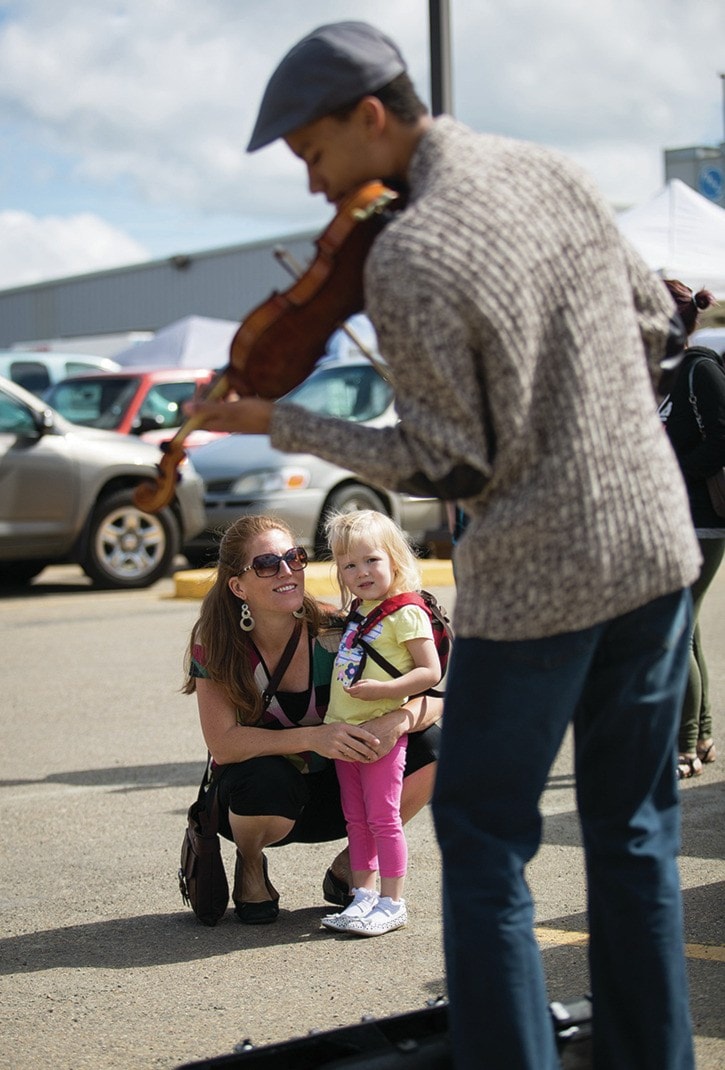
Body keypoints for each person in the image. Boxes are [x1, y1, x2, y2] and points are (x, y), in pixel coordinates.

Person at [186, 21, 701, 1069]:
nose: (312, 183)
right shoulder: (552, 172)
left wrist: (275, 422)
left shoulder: (415, 249)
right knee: (635, 831)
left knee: (480, 836)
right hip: (652, 543)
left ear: (370, 117)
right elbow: (656, 321)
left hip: (541, 574)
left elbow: (448, 462)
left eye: (312, 153)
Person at [183, 513, 442, 925]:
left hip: (337, 788)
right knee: (263, 779)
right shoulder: (216, 641)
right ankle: (250, 865)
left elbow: (434, 696)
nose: (286, 571)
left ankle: (352, 869)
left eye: (294, 557)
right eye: (267, 564)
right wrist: (315, 737)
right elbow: (224, 743)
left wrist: (398, 720)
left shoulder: (337, 629)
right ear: (238, 586)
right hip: (259, 803)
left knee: (434, 747)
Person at [319, 510, 439, 937]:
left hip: (379, 734)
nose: (361, 572)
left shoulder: (406, 612)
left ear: (394, 559)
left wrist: (385, 693)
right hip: (346, 731)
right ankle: (363, 896)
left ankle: (392, 901)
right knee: (356, 819)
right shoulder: (360, 609)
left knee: (383, 818)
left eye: (371, 560)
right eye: (349, 565)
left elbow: (430, 672)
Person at [661, 279, 723, 779]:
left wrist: (669, 469)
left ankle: (683, 747)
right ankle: (701, 736)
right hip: (673, 522)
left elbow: (721, 441)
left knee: (674, 628)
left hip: (703, 521)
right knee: (688, 624)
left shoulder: (699, 368)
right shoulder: (659, 375)